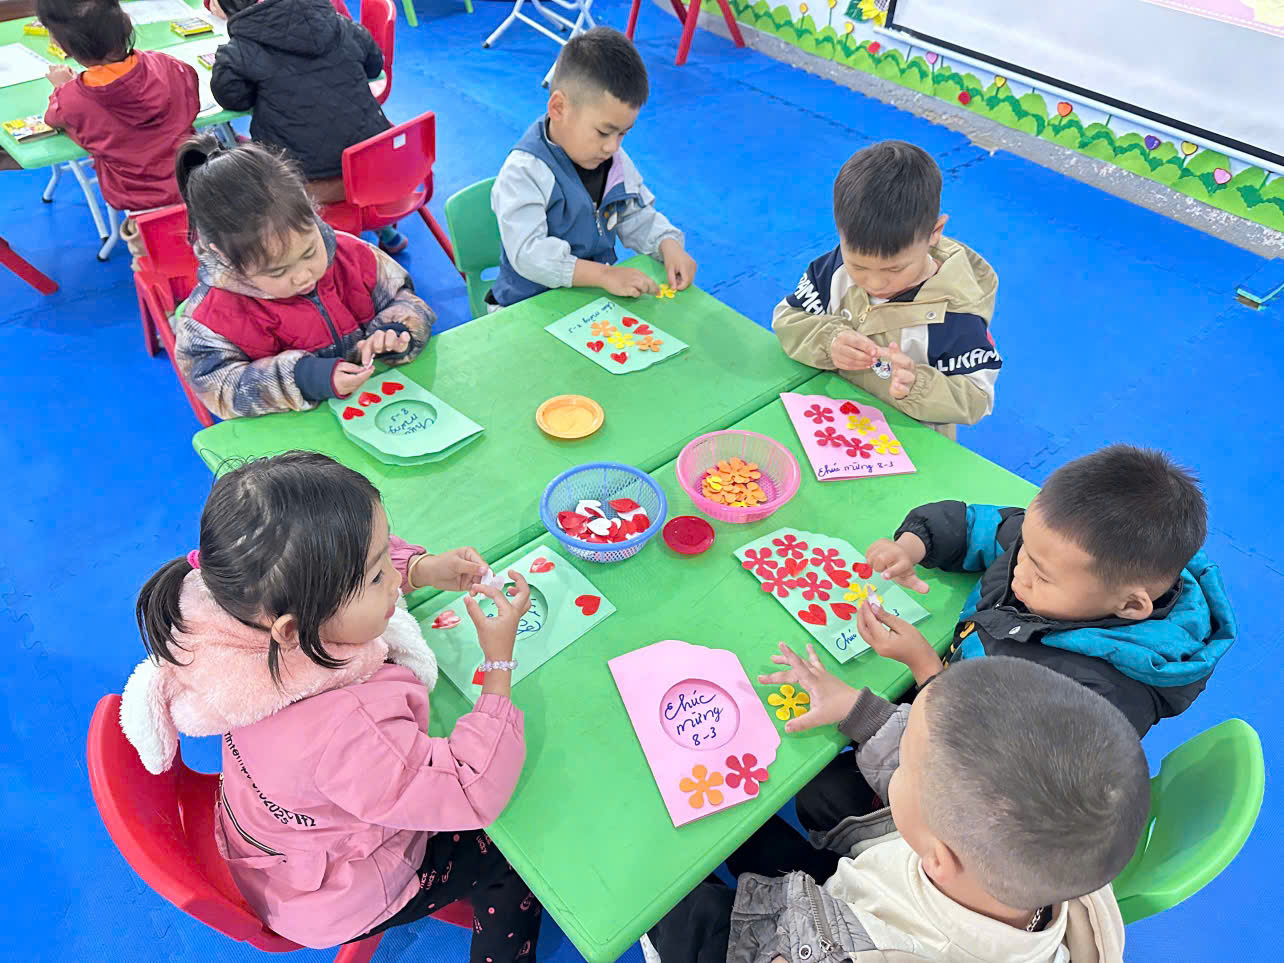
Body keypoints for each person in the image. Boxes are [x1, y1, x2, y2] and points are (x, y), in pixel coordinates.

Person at [119, 451, 542, 960]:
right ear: (294, 628)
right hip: (332, 894)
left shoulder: (228, 605)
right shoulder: (348, 728)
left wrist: (423, 567)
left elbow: (336, 568)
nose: (392, 580)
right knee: (515, 860)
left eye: (386, 561)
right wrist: (498, 663)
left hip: (265, 842)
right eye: (377, 577)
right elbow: (470, 787)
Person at [794, 444, 1236, 838]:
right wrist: (915, 544)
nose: (1019, 570)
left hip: (976, 799)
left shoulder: (1099, 697)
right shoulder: (1062, 552)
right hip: (951, 686)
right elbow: (985, 526)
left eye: (1041, 575)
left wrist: (925, 669)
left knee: (821, 795)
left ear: (1131, 606)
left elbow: (980, 770)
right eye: (1024, 549)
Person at [643, 652, 1148, 963]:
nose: (900, 762)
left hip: (814, 941)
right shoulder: (1062, 851)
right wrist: (859, 712)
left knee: (676, 908)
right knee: (779, 824)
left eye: (905, 762)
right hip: (852, 897)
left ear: (937, 857)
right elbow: (953, 763)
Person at [172, 135, 433, 419]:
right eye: (278, 271)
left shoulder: (353, 254)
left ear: (312, 212)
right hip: (297, 434)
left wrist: (396, 330)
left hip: (382, 409)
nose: (303, 275)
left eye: (309, 252)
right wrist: (302, 379)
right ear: (223, 255)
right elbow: (218, 388)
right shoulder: (210, 319)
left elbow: (405, 299)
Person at [773, 141, 1000, 440]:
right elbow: (788, 319)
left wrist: (917, 385)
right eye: (859, 266)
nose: (875, 283)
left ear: (934, 233)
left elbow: (977, 398)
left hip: (907, 441)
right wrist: (828, 341)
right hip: (830, 423)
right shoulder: (835, 269)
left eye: (894, 269)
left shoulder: (957, 316)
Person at [488, 26, 697, 309]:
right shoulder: (524, 172)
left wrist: (667, 244)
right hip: (526, 306)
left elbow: (635, 213)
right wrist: (604, 275)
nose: (612, 147)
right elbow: (529, 255)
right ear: (558, 108)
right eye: (603, 132)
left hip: (590, 299)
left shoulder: (613, 160)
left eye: (623, 133)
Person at [207, 0, 407, 254]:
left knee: (238, 169)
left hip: (308, 185)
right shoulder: (338, 22)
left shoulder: (241, 48)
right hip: (375, 170)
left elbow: (232, 100)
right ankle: (383, 228)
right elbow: (374, 64)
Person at [36, 0, 199, 255]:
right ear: (125, 24)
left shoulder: (72, 99)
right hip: (198, 185)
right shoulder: (168, 65)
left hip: (140, 202)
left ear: (62, 45)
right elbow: (190, 94)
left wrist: (62, 87)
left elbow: (54, 117)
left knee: (156, 266)